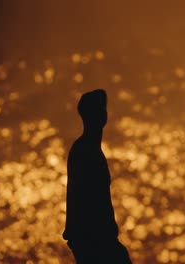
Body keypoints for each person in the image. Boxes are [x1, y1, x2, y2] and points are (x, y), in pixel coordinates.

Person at [63, 89, 132, 263]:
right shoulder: (86, 152)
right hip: (93, 239)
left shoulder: (86, 149)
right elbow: (89, 199)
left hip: (92, 238)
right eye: (100, 110)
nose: (103, 114)